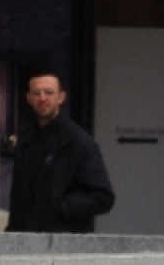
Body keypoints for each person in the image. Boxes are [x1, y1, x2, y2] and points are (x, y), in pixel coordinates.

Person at [6, 68, 115, 233]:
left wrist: (59, 207)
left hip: (66, 241)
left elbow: (102, 197)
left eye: (49, 92)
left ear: (61, 97)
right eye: (37, 93)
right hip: (27, 241)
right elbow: (18, 199)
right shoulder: (25, 142)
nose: (42, 98)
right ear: (29, 98)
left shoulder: (79, 142)